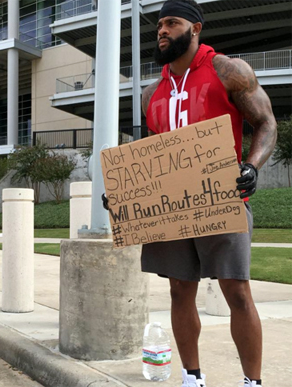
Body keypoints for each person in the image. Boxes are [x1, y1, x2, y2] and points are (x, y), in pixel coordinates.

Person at [103, 0, 277, 386]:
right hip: (174, 209)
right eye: (160, 24)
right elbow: (151, 158)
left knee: (237, 291)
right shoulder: (152, 92)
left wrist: (252, 166)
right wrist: (127, 193)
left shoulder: (227, 70)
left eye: (172, 22)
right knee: (179, 290)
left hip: (224, 199)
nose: (162, 30)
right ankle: (192, 377)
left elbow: (266, 123)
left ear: (195, 28)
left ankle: (252, 381)